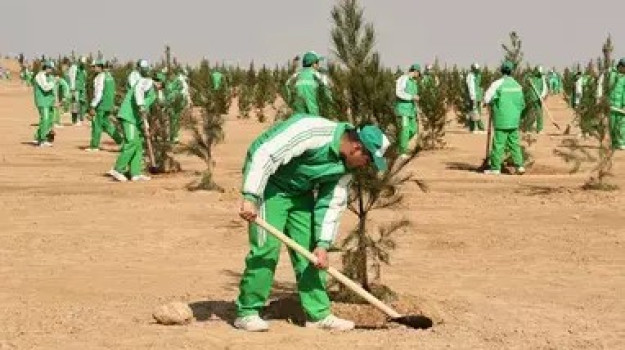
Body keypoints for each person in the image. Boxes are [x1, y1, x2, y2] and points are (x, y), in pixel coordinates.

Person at [234, 113, 390, 332]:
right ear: (356, 147)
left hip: (300, 192)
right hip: (270, 185)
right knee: (266, 248)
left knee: (311, 254)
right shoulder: (311, 130)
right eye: (368, 160)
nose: (367, 166)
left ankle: (318, 315)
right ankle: (248, 311)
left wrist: (323, 244)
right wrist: (251, 195)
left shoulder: (345, 169)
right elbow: (265, 154)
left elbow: (331, 204)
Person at [108, 68, 164, 182]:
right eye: (160, 84)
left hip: (136, 120)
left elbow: (145, 110)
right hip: (128, 116)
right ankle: (118, 169)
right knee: (132, 142)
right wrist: (140, 105)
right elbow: (138, 91)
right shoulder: (146, 82)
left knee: (138, 146)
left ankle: (135, 173)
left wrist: (146, 124)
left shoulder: (154, 93)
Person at [483, 61, 526, 175]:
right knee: (514, 143)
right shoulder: (518, 85)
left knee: (498, 144)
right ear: (512, 71)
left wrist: (491, 103)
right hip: (514, 120)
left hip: (501, 119)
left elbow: (487, 98)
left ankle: (495, 168)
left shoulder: (497, 84)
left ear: (501, 70)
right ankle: (519, 166)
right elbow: (522, 104)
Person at [86, 59, 123, 151]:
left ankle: (94, 146)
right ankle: (121, 141)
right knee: (107, 125)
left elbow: (99, 93)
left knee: (96, 124)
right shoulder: (109, 76)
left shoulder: (99, 77)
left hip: (101, 105)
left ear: (99, 67)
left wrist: (93, 105)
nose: (93, 69)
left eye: (94, 67)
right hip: (109, 104)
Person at [284, 51, 331, 116]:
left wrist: (291, 102)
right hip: (313, 114)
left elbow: (287, 86)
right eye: (317, 63)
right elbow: (327, 93)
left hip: (298, 117)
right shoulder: (317, 75)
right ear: (313, 64)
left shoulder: (296, 75)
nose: (318, 65)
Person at [395, 63, 421, 158]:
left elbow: (415, 96)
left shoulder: (414, 82)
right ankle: (402, 151)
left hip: (411, 110)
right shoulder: (403, 79)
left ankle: (400, 145)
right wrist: (411, 97)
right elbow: (399, 92)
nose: (418, 75)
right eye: (418, 73)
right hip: (403, 110)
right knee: (405, 130)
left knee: (413, 130)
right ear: (415, 71)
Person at [32, 60, 57, 147]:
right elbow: (45, 88)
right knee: (45, 119)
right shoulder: (40, 76)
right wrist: (54, 82)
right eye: (50, 68)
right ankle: (41, 140)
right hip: (42, 101)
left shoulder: (49, 76)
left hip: (49, 102)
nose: (51, 70)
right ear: (46, 67)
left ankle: (41, 137)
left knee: (49, 121)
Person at [609, 58, 625, 150]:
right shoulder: (611, 74)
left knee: (621, 124)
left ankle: (622, 142)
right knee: (612, 125)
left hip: (620, 106)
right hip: (611, 104)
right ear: (621, 66)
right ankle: (614, 143)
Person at [526, 66, 548, 133]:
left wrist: (542, 96)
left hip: (538, 98)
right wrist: (528, 80)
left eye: (540, 73)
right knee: (530, 113)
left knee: (539, 113)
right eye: (538, 72)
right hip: (531, 98)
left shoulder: (542, 78)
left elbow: (544, 88)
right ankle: (529, 128)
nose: (539, 74)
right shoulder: (530, 77)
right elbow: (526, 82)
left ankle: (539, 129)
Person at [466, 63, 486, 133]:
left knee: (477, 112)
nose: (477, 70)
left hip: (478, 96)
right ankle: (476, 128)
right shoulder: (470, 76)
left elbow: (479, 85)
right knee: (474, 112)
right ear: (473, 69)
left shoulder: (478, 75)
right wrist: (472, 97)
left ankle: (474, 128)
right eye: (476, 69)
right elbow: (471, 87)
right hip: (473, 96)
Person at [68, 56, 88, 125]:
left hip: (82, 89)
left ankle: (81, 119)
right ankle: (75, 120)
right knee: (75, 104)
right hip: (76, 88)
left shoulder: (84, 70)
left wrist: (84, 88)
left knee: (82, 103)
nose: (83, 64)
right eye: (82, 63)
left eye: (84, 63)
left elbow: (84, 80)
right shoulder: (75, 68)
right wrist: (72, 89)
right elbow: (72, 78)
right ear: (79, 61)